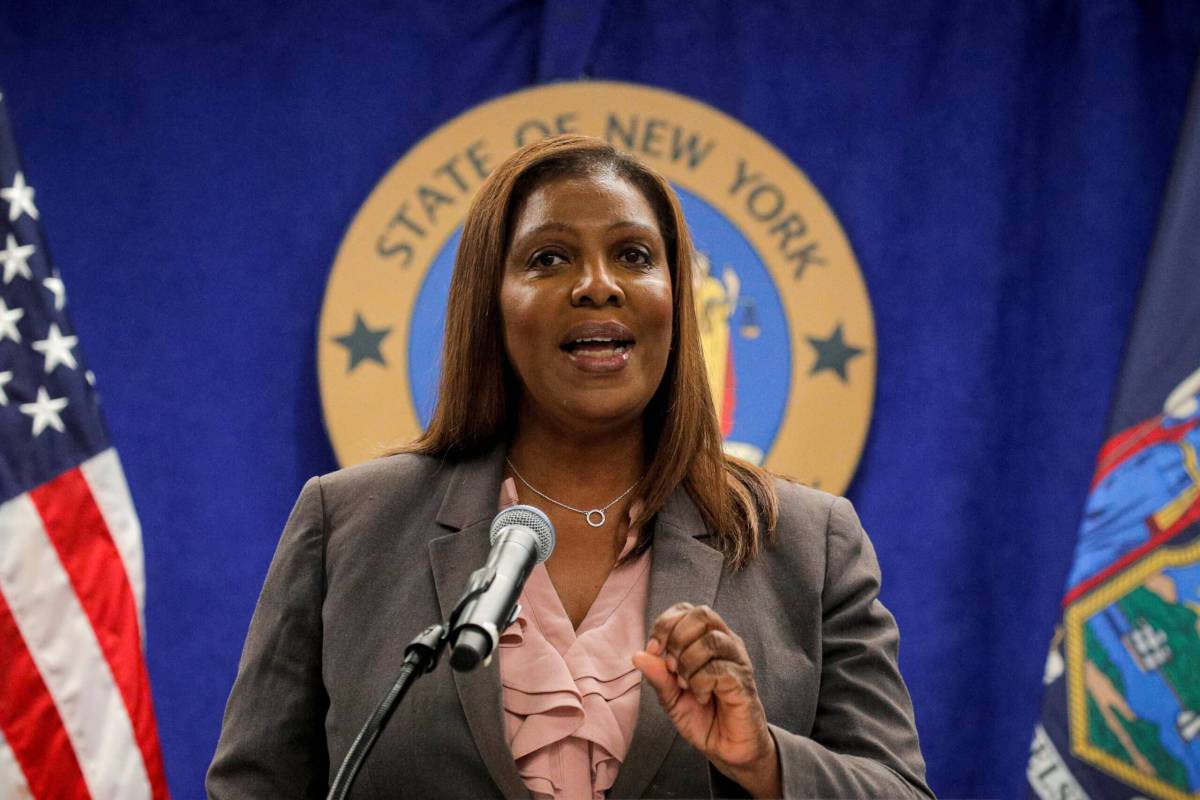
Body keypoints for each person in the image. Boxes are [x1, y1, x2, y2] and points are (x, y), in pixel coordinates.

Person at [207, 134, 932, 799]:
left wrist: (764, 761)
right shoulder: (347, 525)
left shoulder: (805, 540)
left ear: (677, 300)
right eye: (549, 258)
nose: (597, 285)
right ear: (490, 304)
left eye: (635, 256)